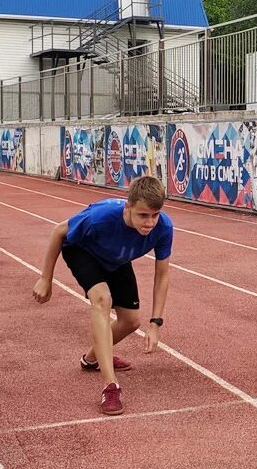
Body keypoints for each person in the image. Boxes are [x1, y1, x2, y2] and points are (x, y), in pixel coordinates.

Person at [32, 175, 173, 416]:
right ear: (128, 207)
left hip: (117, 260)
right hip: (83, 252)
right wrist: (46, 278)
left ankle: (91, 359)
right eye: (142, 215)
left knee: (131, 322)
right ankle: (110, 385)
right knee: (102, 300)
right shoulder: (100, 217)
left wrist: (155, 322)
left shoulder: (164, 228)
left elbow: (162, 275)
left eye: (154, 215)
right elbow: (58, 231)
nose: (149, 223)